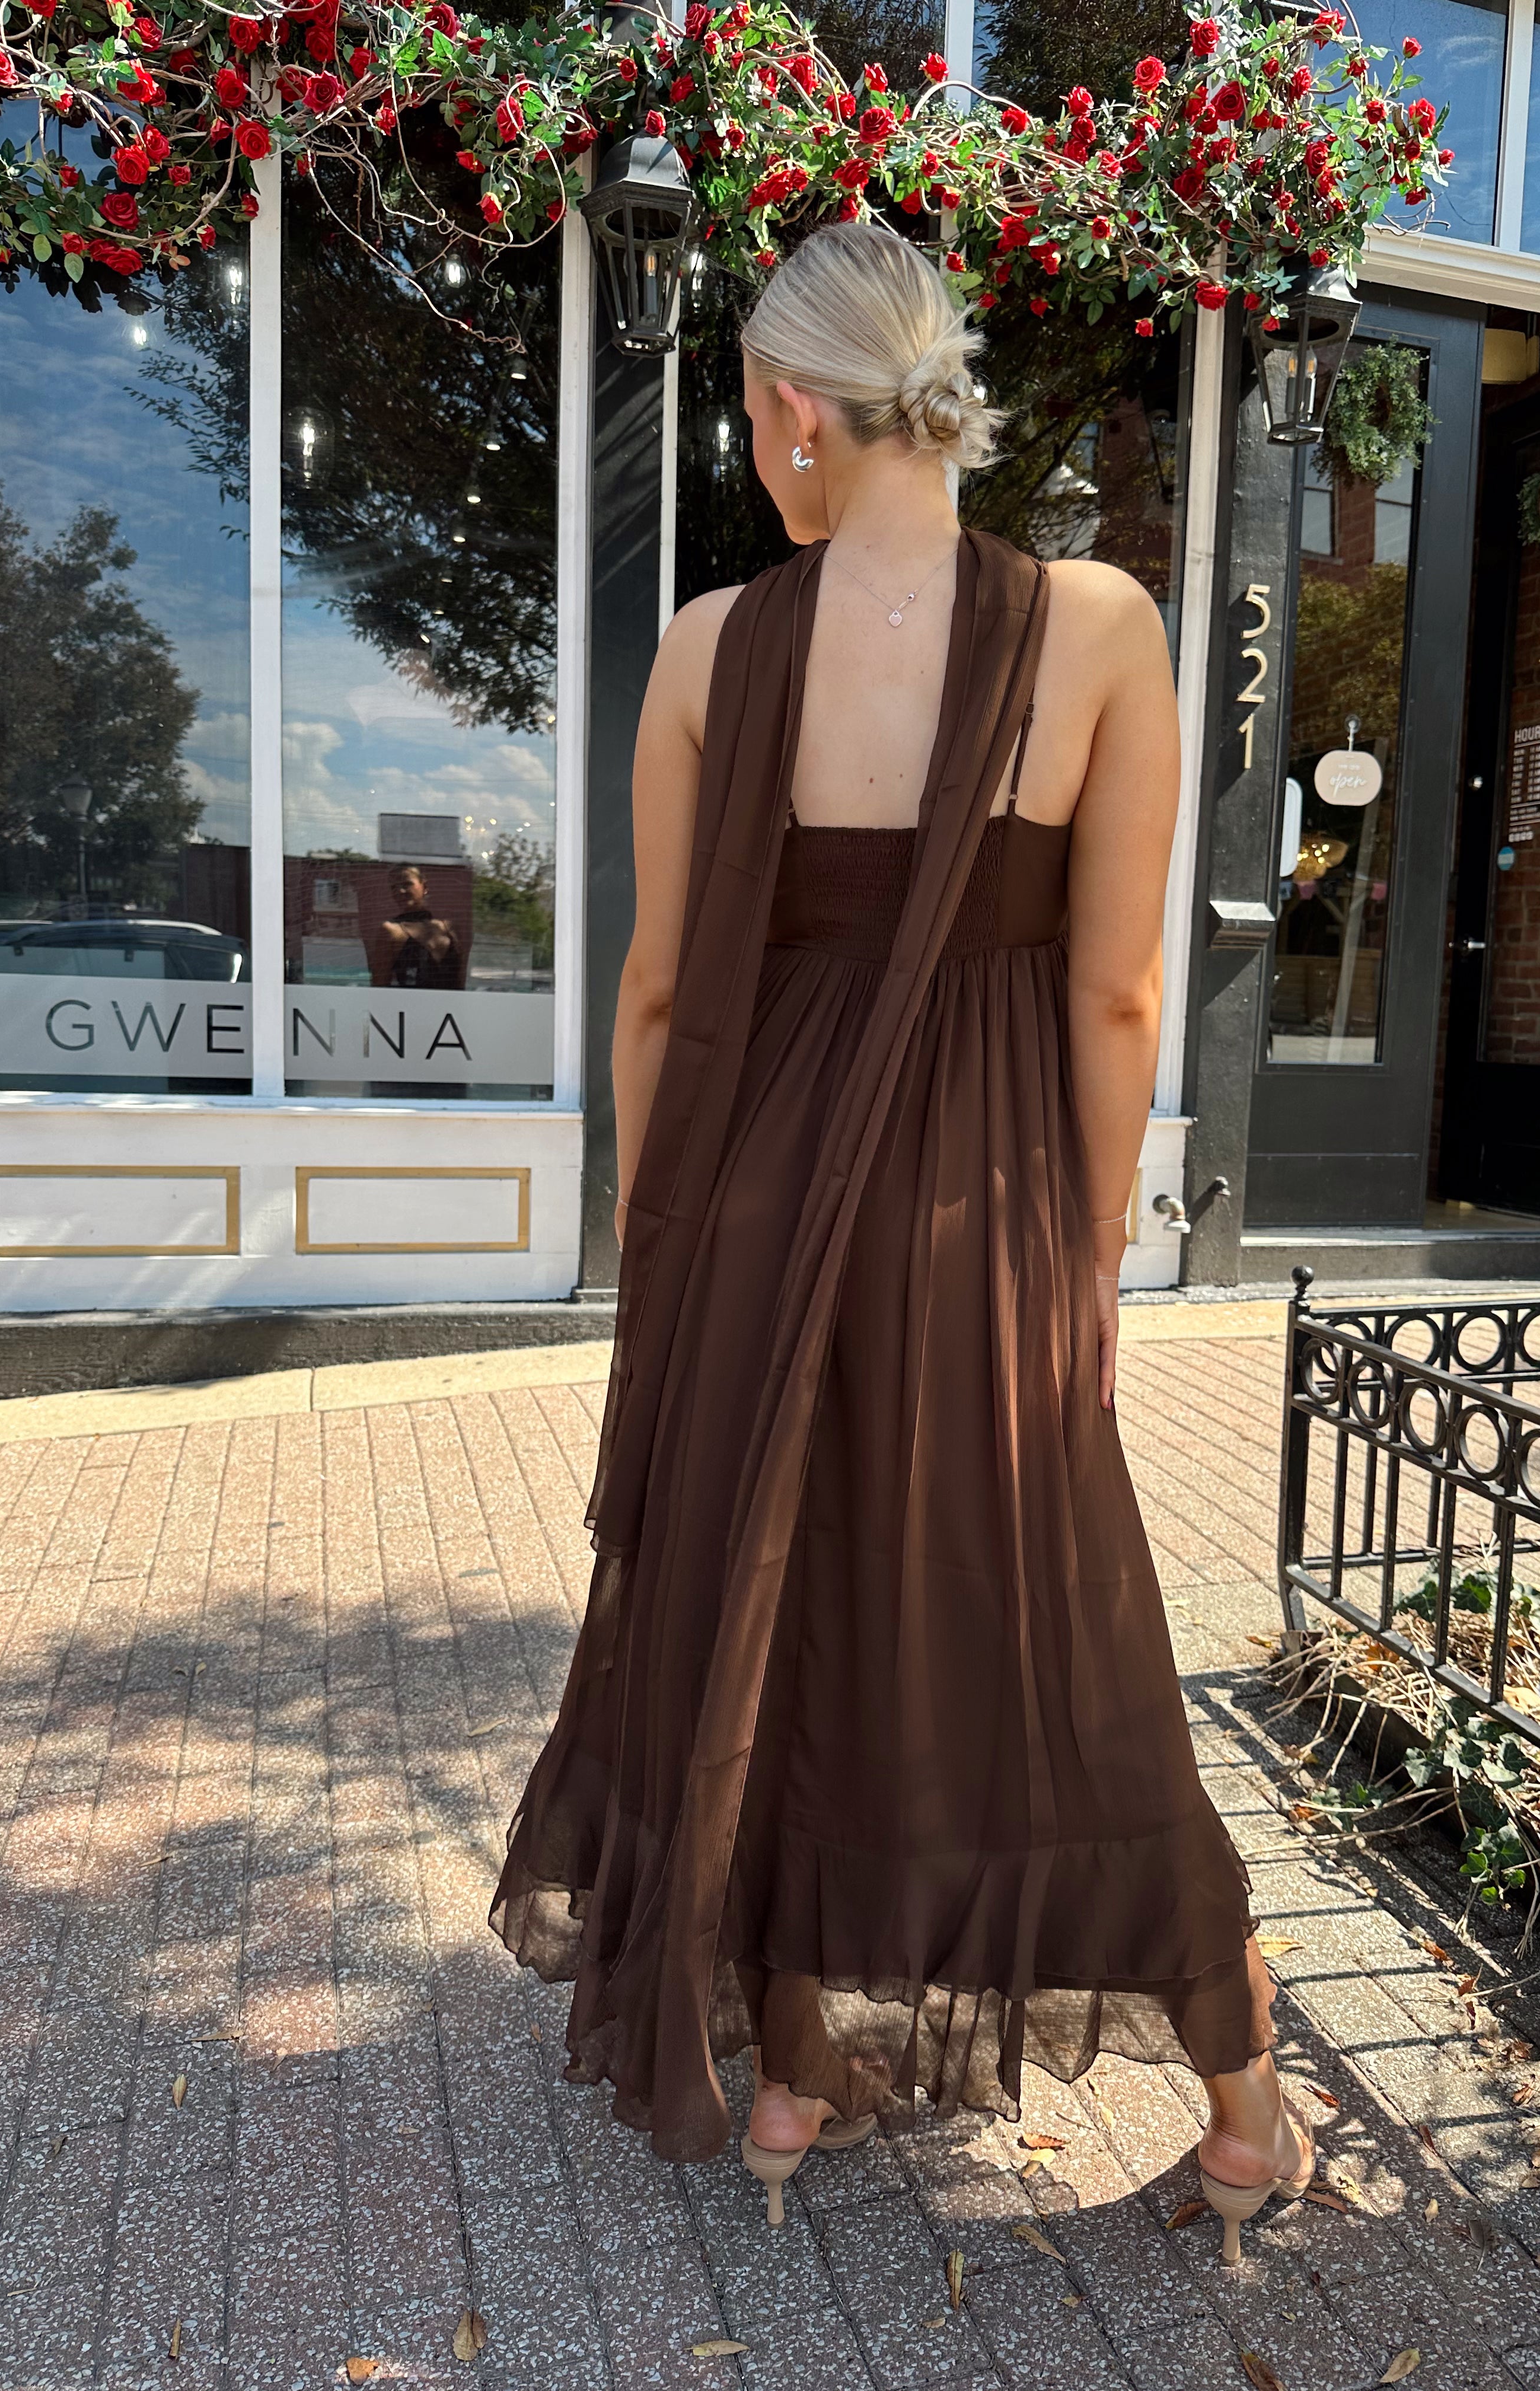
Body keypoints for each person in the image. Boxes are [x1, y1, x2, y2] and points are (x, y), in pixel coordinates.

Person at [492, 222, 1312, 2264]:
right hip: (982, 1209)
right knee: (1052, 1628)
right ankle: (1233, 2101)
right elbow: (1116, 1000)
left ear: (789, 410)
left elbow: (667, 993)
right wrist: (1091, 1258)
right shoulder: (1106, 628)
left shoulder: (707, 651)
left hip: (758, 1200)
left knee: (777, 1596)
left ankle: (780, 2070)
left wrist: (648, 1227)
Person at [366, 863, 467, 990]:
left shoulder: (449, 928)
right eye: (394, 887)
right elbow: (379, 986)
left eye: (406, 884)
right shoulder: (391, 930)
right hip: (410, 1007)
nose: (400, 891)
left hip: (451, 1007)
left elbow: (461, 982)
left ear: (425, 886)